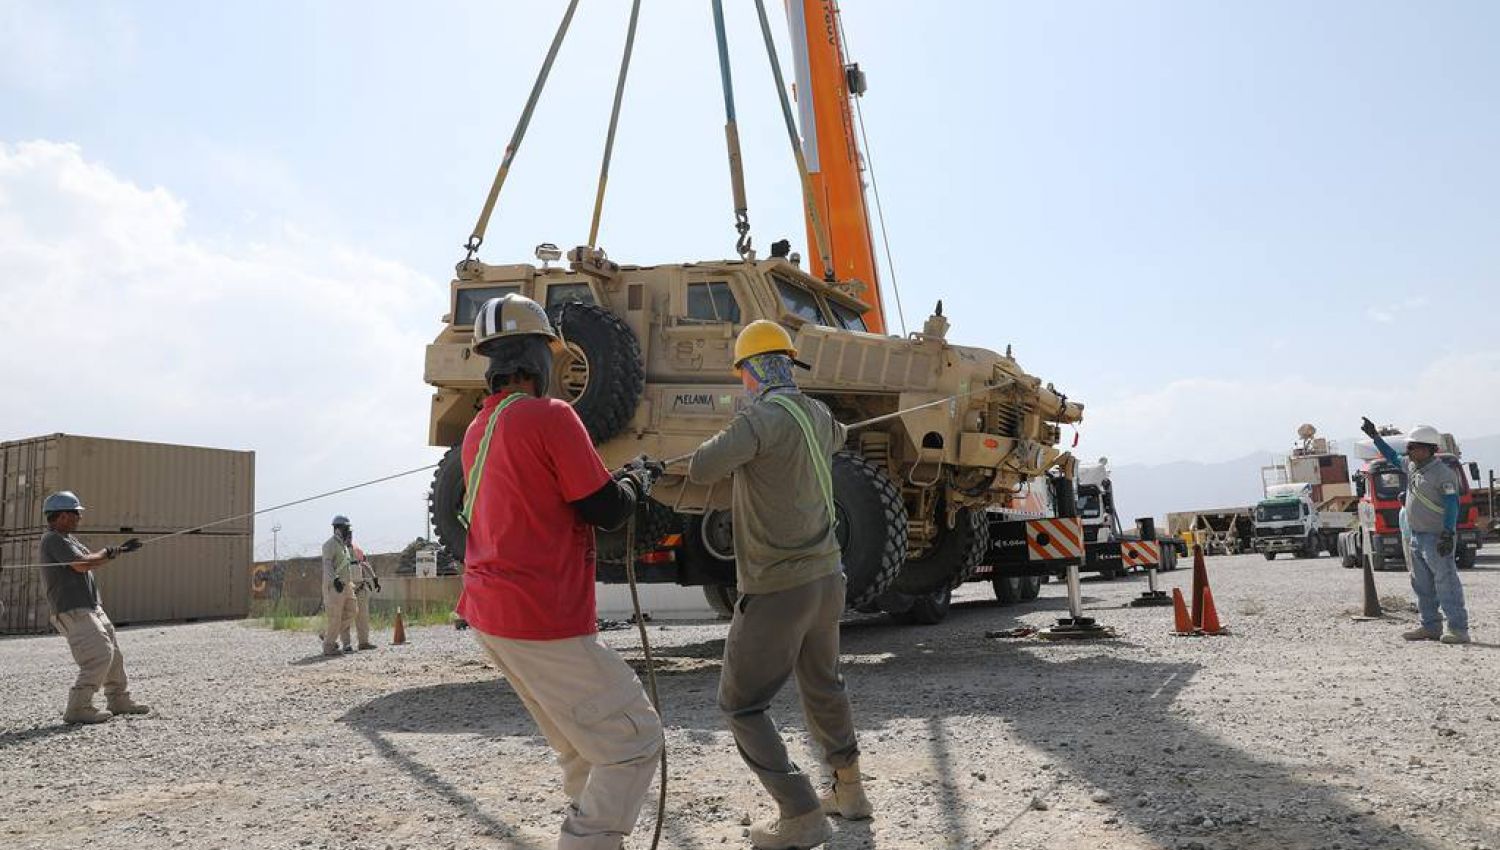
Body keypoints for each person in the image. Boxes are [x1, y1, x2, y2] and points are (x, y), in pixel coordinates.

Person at [456, 293, 663, 850]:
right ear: (541, 359)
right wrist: (637, 483)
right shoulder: (552, 416)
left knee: (580, 745)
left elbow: (550, 493)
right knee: (634, 740)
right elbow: (604, 509)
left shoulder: (480, 428)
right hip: (539, 614)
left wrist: (614, 481)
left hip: (492, 613)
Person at [687, 320, 870, 850]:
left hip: (777, 586)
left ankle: (800, 812)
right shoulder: (818, 414)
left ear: (750, 371)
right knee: (823, 684)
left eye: (742, 371)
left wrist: (738, 425)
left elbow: (701, 468)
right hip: (827, 577)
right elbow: (838, 435)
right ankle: (850, 792)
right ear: (788, 364)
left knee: (741, 705)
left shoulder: (759, 419)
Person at [37, 491, 151, 724]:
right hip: (73, 609)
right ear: (62, 516)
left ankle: (118, 699)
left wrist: (117, 552)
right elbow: (81, 565)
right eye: (76, 513)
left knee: (114, 655)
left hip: (90, 606)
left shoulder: (68, 538)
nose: (79, 518)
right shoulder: (53, 539)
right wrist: (107, 552)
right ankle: (78, 707)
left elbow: (92, 560)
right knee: (98, 655)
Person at [1362, 418, 1471, 644]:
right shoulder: (1412, 467)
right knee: (1422, 585)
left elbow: (1452, 503)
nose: (1408, 450)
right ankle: (1430, 626)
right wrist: (1376, 439)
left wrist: (1448, 532)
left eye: (1413, 447)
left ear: (1428, 449)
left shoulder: (1443, 474)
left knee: (1446, 582)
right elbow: (1392, 457)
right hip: (1417, 536)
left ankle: (1458, 629)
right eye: (1408, 447)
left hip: (1437, 536)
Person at [320, 516, 358, 656]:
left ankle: (327, 634)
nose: (348, 530)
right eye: (345, 528)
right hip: (335, 586)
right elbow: (327, 564)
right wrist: (335, 579)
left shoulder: (343, 546)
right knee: (335, 617)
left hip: (346, 585)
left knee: (353, 610)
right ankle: (329, 647)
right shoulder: (329, 544)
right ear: (338, 528)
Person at [348, 542, 380, 651]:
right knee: (342, 616)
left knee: (362, 616)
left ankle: (363, 642)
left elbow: (365, 564)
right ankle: (329, 637)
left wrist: (374, 579)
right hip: (345, 587)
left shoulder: (357, 549)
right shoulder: (337, 550)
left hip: (359, 587)